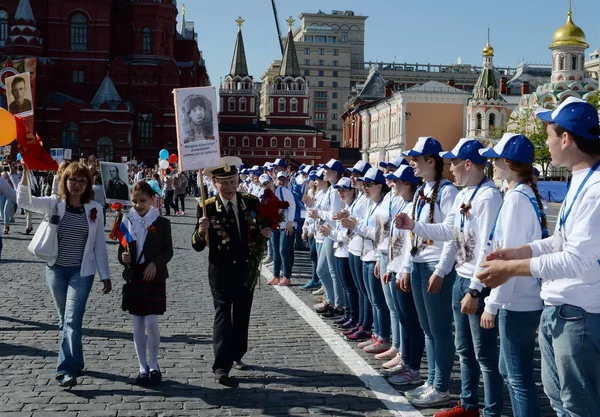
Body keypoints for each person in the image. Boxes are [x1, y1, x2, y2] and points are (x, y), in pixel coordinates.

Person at [478, 97, 600, 417]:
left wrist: (511, 267)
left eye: (548, 134)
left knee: (579, 406)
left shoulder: (596, 187)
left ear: (566, 138)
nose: (544, 143)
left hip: (580, 313)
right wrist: (521, 251)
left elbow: (576, 260)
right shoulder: (580, 178)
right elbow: (560, 240)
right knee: (558, 400)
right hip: (558, 307)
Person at [397, 138, 505, 416]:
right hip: (460, 278)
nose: (451, 168)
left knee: (485, 355)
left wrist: (476, 288)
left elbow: (487, 246)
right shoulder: (462, 194)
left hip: (475, 283)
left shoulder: (488, 196)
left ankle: (491, 409)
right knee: (465, 350)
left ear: (468, 164)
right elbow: (448, 232)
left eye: (454, 162)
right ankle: (468, 404)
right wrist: (414, 225)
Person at [17, 163, 111, 388]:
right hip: (56, 270)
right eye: (73, 180)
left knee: (71, 319)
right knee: (66, 321)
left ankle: (65, 371)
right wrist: (24, 176)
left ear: (88, 184)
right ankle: (76, 361)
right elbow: (25, 202)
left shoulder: (94, 208)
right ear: (64, 181)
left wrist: (104, 275)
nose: (77, 185)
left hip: (82, 272)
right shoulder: (54, 204)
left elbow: (99, 244)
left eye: (82, 181)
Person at [477, 133, 546, 417]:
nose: (492, 164)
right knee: (510, 372)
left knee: (518, 379)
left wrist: (492, 303)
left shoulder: (517, 199)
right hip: (519, 298)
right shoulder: (519, 195)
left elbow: (509, 260)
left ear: (507, 162)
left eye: (495, 159)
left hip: (517, 301)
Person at [191, 156, 272, 386]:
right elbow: (196, 245)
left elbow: (257, 230)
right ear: (214, 183)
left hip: (245, 268)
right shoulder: (206, 207)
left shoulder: (250, 202)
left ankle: (238, 353)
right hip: (221, 271)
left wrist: (265, 233)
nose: (228, 187)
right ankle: (221, 366)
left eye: (232, 181)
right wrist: (200, 231)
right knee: (223, 315)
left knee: (242, 314)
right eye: (223, 183)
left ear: (238, 180)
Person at [399, 136, 459, 408]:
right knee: (428, 330)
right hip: (420, 263)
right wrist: (409, 265)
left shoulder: (447, 192)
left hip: (435, 266)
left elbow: (451, 236)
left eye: (416, 159)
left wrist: (441, 271)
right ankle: (432, 381)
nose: (412, 163)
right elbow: (413, 234)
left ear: (431, 161)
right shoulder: (422, 191)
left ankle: (441, 386)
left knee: (439, 329)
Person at [119, 181, 173, 386]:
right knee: (137, 324)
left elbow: (168, 251)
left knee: (151, 322)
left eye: (143, 200)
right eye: (134, 201)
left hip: (155, 276)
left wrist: (154, 264)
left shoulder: (162, 223)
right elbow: (122, 252)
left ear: (152, 199)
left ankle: (154, 364)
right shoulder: (127, 221)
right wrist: (124, 260)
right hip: (135, 277)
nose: (138, 205)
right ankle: (142, 367)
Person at [267, 171, 296, 286]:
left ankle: (287, 276)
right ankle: (275, 276)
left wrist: (290, 221)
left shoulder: (283, 190)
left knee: (283, 250)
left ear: (272, 181)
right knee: (275, 251)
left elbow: (292, 204)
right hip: (275, 225)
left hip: (286, 225)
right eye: (264, 184)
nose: (267, 186)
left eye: (268, 183)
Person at [0, 173, 16, 261]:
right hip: (2, 194)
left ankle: (6, 226)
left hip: (9, 193)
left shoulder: (11, 173)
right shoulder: (2, 175)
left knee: (6, 209)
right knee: (1, 210)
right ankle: (5, 222)